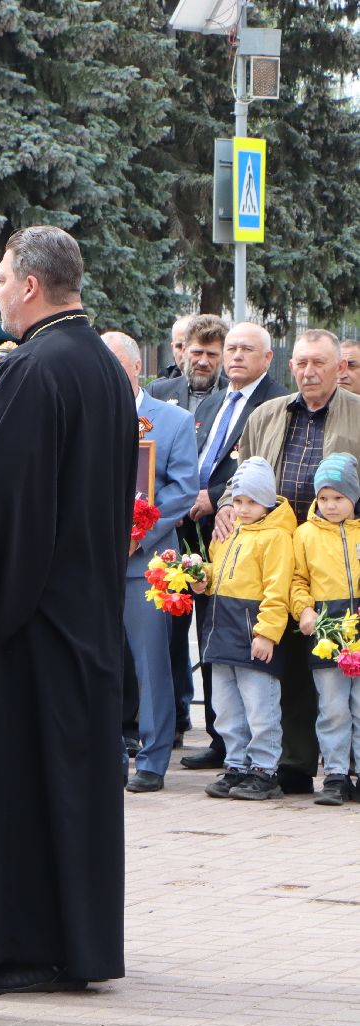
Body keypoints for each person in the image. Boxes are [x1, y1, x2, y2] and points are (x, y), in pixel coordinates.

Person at [0, 225, 131, 994]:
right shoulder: (102, 366)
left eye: (0, 280)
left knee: (13, 790)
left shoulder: (27, 370)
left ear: (30, 286)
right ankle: (71, 946)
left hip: (24, 622)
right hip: (85, 614)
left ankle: (12, 945)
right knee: (68, 793)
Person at [225, 329, 360, 795]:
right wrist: (226, 506)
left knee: (334, 666)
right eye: (301, 362)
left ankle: (342, 768)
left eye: (319, 362)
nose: (308, 371)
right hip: (277, 550)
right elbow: (241, 477)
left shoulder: (357, 412)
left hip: (336, 556)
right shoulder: (267, 414)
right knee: (286, 660)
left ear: (339, 367)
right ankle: (294, 764)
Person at [181, 323, 287, 770]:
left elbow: (261, 468)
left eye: (247, 349)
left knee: (249, 664)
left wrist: (218, 496)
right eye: (232, 348)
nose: (236, 356)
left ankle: (259, 758)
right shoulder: (213, 401)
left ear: (268, 358)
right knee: (213, 639)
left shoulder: (276, 402)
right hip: (205, 536)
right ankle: (222, 742)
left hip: (247, 528)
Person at [104, 331, 199, 792]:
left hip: (147, 563)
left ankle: (154, 758)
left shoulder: (174, 420)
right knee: (100, 664)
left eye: (116, 366)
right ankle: (105, 756)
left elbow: (182, 491)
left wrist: (136, 535)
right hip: (95, 562)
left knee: (151, 664)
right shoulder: (87, 415)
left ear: (137, 365)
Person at [197, 457, 294, 801]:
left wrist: (266, 633)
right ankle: (236, 764)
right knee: (226, 706)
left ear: (267, 500)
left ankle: (265, 770)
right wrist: (200, 576)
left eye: (252, 501)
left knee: (260, 706)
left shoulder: (277, 537)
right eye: (238, 501)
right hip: (221, 630)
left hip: (254, 635)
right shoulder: (230, 531)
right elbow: (219, 573)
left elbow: (278, 590)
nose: (243, 508)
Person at [291, 452, 360, 805]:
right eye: (323, 498)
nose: (331, 506)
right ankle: (335, 774)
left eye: (339, 497)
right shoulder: (305, 535)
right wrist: (304, 609)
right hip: (326, 632)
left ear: (354, 497)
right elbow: (297, 579)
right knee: (333, 707)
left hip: (357, 628)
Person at [148, 315, 225, 414]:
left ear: (224, 355)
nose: (203, 362)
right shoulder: (157, 394)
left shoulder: (235, 397)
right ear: (184, 350)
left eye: (211, 354)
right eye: (197, 352)